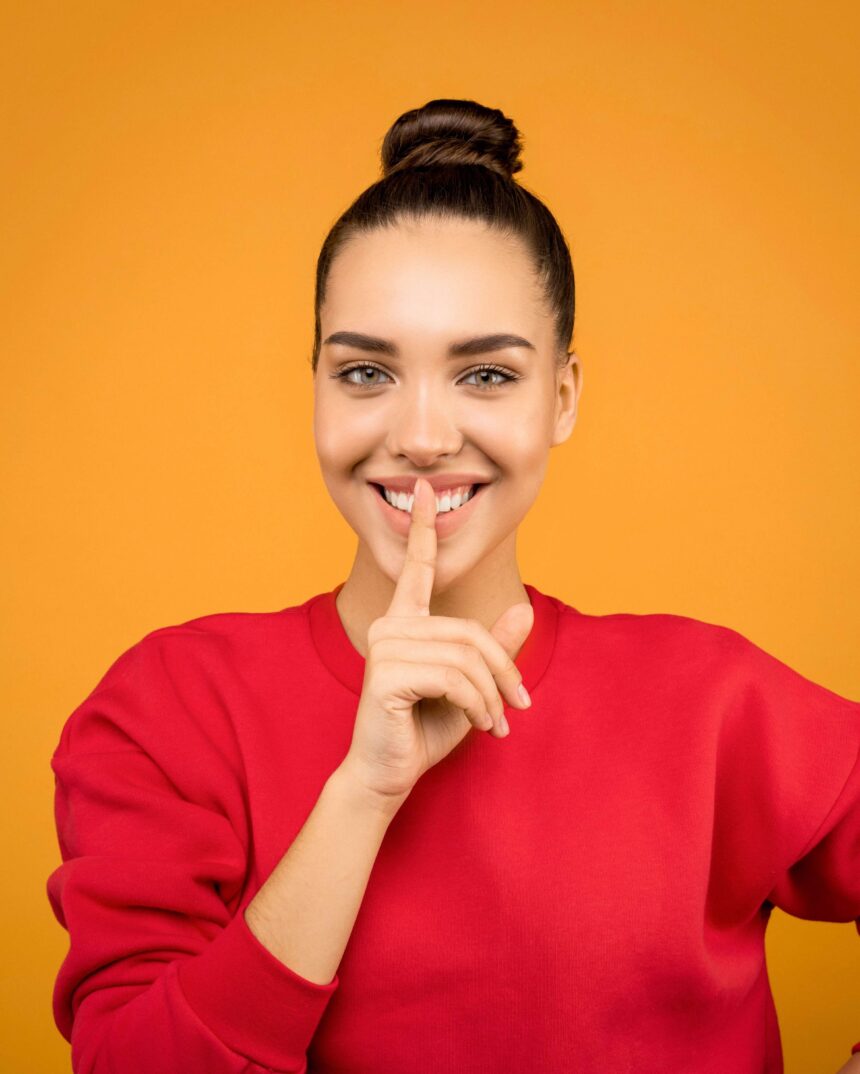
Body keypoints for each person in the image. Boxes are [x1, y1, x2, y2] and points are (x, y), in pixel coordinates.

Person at [46, 98, 859, 1074]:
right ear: (313, 383)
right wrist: (361, 794)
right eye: (365, 373)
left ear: (560, 397)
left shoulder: (716, 702)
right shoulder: (166, 709)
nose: (423, 434)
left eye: (483, 375)